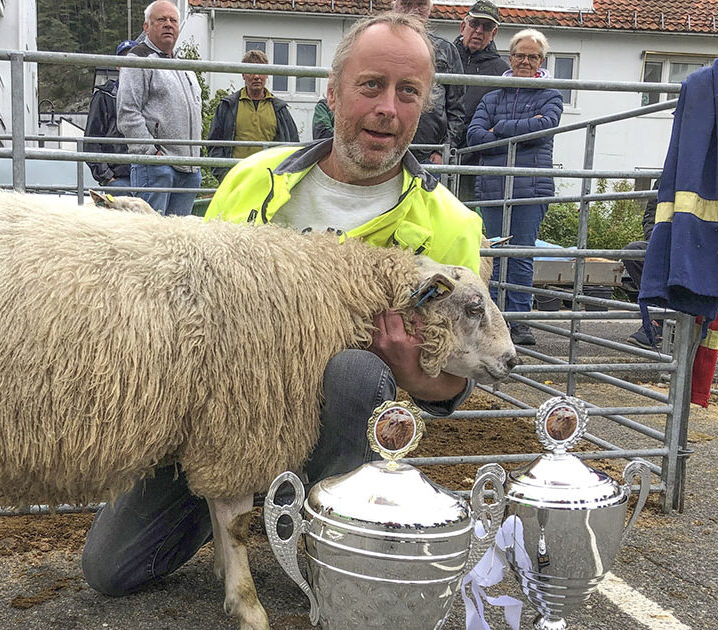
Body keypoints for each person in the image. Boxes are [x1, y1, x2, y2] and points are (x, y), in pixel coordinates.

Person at [82, 12, 484, 597]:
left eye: (408, 93)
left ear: (423, 105)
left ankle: (329, 537)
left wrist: (414, 377)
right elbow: (188, 302)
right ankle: (220, 503)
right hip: (220, 418)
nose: (387, 110)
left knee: (356, 371)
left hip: (335, 428)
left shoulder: (450, 227)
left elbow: (455, 383)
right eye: (370, 85)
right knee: (109, 570)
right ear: (334, 88)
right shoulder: (252, 179)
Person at [466, 28, 563, 346]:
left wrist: (502, 129)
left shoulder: (550, 94)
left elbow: (544, 126)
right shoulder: (492, 96)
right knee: (494, 257)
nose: (525, 61)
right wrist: (517, 133)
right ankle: (494, 322)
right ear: (510, 57)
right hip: (493, 187)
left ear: (541, 60)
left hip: (530, 188)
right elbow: (474, 136)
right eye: (519, 55)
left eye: (532, 56)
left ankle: (519, 324)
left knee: (520, 256)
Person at [116, 0, 201, 216]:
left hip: (189, 169)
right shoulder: (138, 58)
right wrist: (151, 152)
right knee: (149, 239)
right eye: (161, 19)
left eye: (173, 20)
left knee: (180, 242)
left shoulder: (184, 67)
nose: (168, 24)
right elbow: (127, 112)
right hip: (156, 167)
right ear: (146, 27)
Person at [206, 49, 299, 182]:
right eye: (250, 71)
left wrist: (283, 177)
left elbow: (293, 145)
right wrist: (224, 175)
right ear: (243, 74)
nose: (256, 76)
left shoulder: (279, 109)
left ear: (267, 74)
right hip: (237, 177)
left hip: (269, 179)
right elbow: (214, 143)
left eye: (261, 71)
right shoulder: (228, 106)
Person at [393, 0, 465, 166]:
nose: (413, 11)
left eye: (421, 5)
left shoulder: (446, 50)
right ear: (395, 5)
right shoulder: (378, 44)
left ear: (429, 9)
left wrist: (442, 150)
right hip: (386, 146)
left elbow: (457, 108)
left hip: (429, 153)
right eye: (407, 4)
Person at [452, 0, 508, 201]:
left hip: (474, 160)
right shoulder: (442, 58)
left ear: (494, 34)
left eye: (487, 27)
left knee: (463, 218)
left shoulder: (501, 72)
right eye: (475, 24)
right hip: (434, 153)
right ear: (463, 26)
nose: (479, 31)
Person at [84, 39, 138, 190]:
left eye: (135, 59)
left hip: (149, 175)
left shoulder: (151, 94)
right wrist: (108, 177)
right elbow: (91, 140)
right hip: (119, 178)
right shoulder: (104, 96)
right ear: (117, 65)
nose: (130, 64)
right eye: (125, 59)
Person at [623, 183, 661, 349]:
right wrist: (658, 240)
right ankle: (657, 319)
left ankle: (658, 324)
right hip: (665, 241)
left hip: (693, 246)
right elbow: (650, 216)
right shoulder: (666, 175)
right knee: (632, 252)